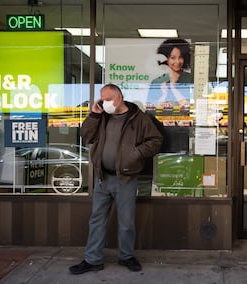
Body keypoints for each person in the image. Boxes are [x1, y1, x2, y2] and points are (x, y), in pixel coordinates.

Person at [69, 84, 163, 274]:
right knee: (96, 220)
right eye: (103, 99)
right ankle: (93, 259)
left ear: (119, 97)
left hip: (126, 179)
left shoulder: (139, 119)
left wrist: (136, 153)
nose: (105, 103)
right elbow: (85, 135)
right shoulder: (102, 117)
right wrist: (94, 115)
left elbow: (156, 141)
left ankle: (126, 256)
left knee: (126, 222)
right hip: (103, 177)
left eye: (109, 99)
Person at [148, 38, 193, 106]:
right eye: (173, 58)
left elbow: (195, 107)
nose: (177, 61)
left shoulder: (191, 80)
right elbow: (150, 110)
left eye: (180, 57)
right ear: (166, 59)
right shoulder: (157, 82)